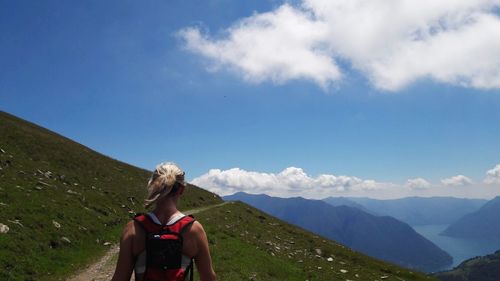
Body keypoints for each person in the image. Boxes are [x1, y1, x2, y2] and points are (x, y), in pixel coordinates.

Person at [111, 162, 216, 281]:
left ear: (153, 186)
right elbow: (209, 277)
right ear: (181, 189)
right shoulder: (194, 229)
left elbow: (120, 277)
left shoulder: (133, 228)